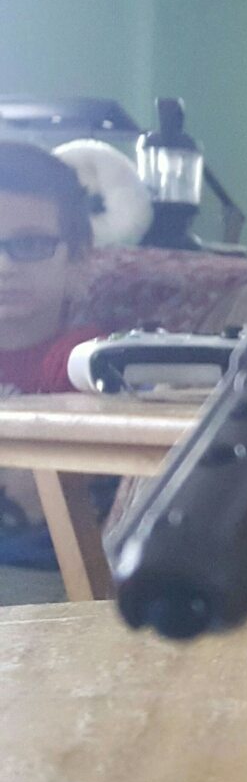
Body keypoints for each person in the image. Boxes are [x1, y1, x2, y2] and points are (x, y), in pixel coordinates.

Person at [0, 141, 106, 601]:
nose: (4, 265)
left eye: (29, 244)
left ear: (78, 261)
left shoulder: (88, 361)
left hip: (39, 577)